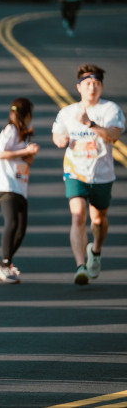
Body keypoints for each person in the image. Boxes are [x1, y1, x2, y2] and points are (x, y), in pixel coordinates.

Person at [52, 64, 125, 285]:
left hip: (102, 174)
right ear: (79, 87)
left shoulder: (110, 109)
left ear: (101, 86)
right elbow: (57, 136)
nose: (92, 88)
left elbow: (114, 135)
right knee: (78, 216)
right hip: (75, 172)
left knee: (98, 220)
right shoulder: (67, 112)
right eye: (87, 84)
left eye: (96, 84)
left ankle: (96, 251)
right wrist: (61, 140)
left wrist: (90, 124)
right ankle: (80, 266)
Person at [0, 98, 40, 284]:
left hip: (20, 186)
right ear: (26, 114)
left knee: (21, 230)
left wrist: (30, 152)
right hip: (6, 185)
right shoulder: (10, 130)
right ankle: (5, 264)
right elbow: (0, 153)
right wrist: (25, 151)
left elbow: (28, 161)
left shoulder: (24, 134)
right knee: (11, 223)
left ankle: (5, 262)